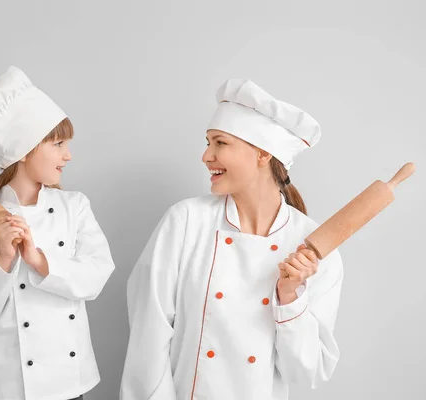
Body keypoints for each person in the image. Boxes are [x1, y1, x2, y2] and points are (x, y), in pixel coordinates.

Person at [120, 78, 344, 400]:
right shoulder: (186, 221)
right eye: (208, 142)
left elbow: (306, 373)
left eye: (220, 143)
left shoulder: (313, 249)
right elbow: (149, 332)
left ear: (263, 154)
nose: (206, 155)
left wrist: (290, 296)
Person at [0, 66, 115, 400]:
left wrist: (39, 259)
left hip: (66, 382)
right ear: (25, 149)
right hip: (3, 385)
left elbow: (96, 276)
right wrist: (3, 257)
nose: (67, 155)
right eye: (58, 144)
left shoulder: (75, 207)